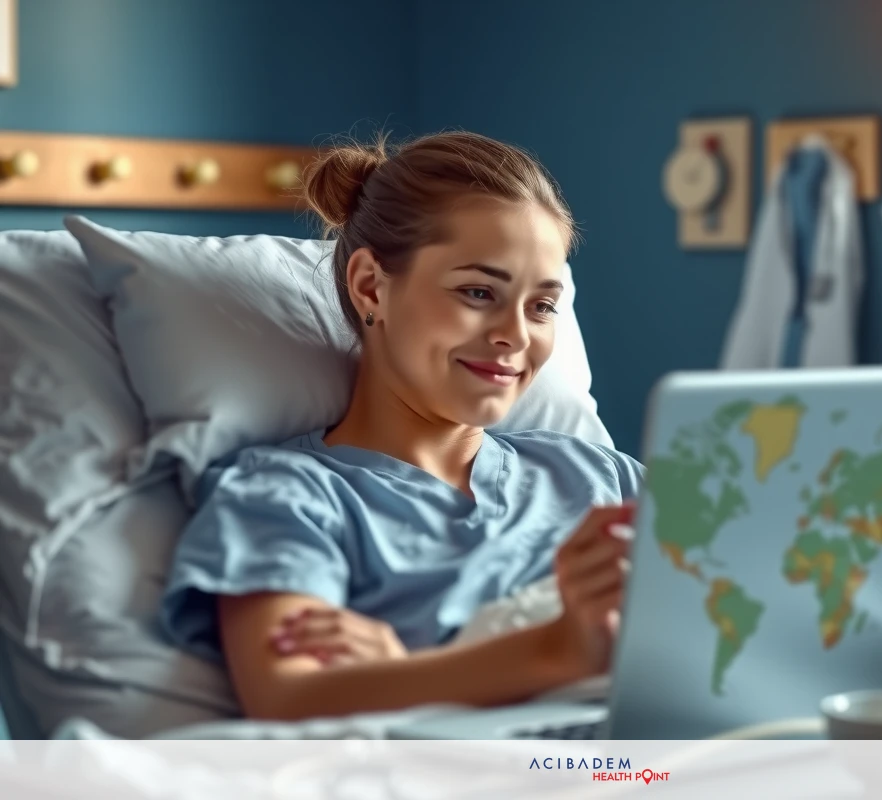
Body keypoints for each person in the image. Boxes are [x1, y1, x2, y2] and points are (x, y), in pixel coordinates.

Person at [159, 131, 644, 722]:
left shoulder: (603, 477)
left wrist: (401, 670)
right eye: (477, 291)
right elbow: (287, 695)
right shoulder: (290, 498)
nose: (516, 336)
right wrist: (554, 653)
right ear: (371, 287)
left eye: (542, 306)